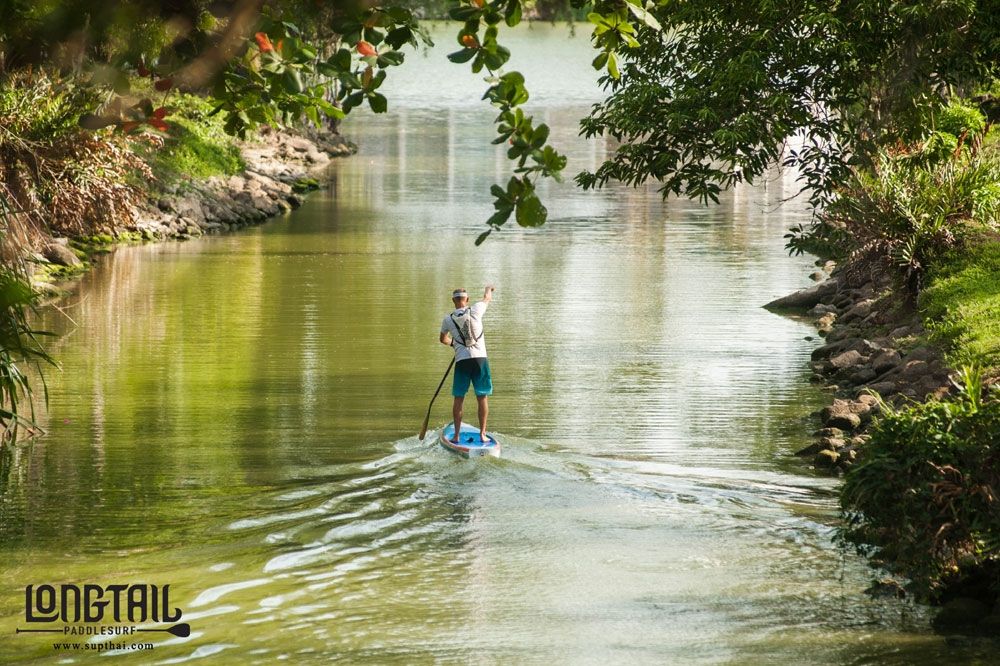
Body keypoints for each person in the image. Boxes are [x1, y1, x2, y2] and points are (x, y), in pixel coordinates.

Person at [439, 285, 495, 443]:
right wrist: (489, 289)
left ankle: (456, 436)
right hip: (480, 360)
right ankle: (483, 434)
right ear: (467, 299)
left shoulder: (448, 319)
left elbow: (443, 339)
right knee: (482, 397)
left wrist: (455, 344)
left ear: (453, 300)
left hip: (462, 361)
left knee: (458, 398)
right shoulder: (476, 309)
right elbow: (487, 298)